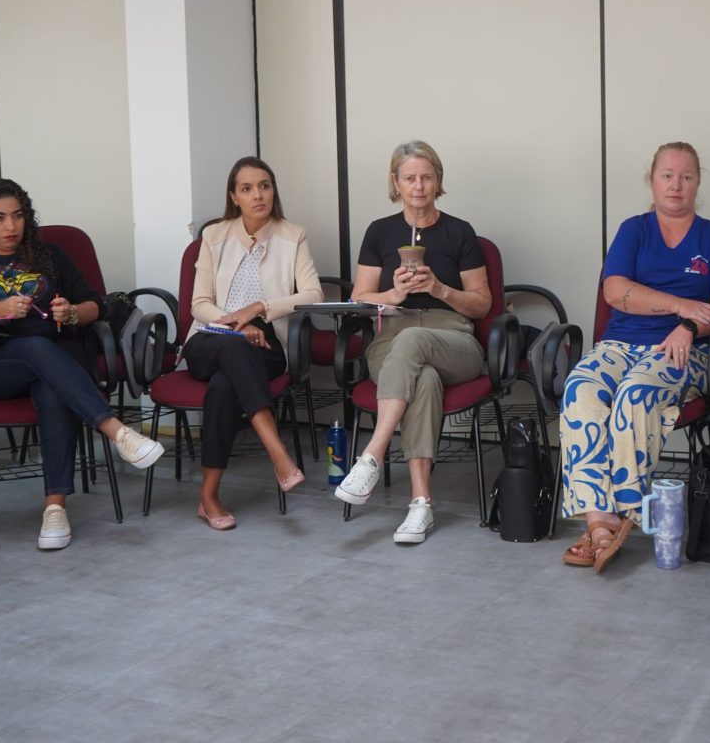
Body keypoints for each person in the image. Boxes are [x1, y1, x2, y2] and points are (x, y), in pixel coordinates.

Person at [0, 178, 165, 550]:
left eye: (18, 216)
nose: (11, 226)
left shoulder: (50, 255)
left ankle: (55, 509)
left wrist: (71, 313)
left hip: (54, 364)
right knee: (36, 348)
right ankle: (117, 431)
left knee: (51, 387)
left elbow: (95, 304)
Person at [557, 142, 710, 573]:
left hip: (685, 350)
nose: (676, 185)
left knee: (636, 392)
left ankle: (620, 512)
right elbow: (614, 291)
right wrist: (680, 306)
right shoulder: (634, 230)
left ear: (697, 182)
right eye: (667, 175)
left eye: (686, 176)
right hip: (619, 345)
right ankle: (598, 519)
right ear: (652, 181)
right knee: (580, 389)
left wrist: (689, 327)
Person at [334, 140, 490, 545]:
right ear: (395, 183)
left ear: (438, 181)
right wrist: (394, 295)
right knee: (424, 380)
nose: (418, 186)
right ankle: (421, 504)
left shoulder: (459, 231)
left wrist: (439, 289)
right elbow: (360, 296)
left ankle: (372, 455)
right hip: (393, 336)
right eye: (409, 178)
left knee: (416, 339)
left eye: (426, 177)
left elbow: (482, 304)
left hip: (452, 337)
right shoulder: (379, 231)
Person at [182, 156, 322, 530]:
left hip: (265, 342)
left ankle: (208, 497)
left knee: (225, 385)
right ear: (234, 196)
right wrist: (235, 326)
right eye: (247, 189)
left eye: (264, 186)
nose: (258, 195)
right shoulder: (214, 236)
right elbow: (199, 304)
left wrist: (261, 308)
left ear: (273, 190)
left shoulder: (293, 235)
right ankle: (278, 453)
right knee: (233, 349)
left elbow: (313, 294)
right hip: (211, 337)